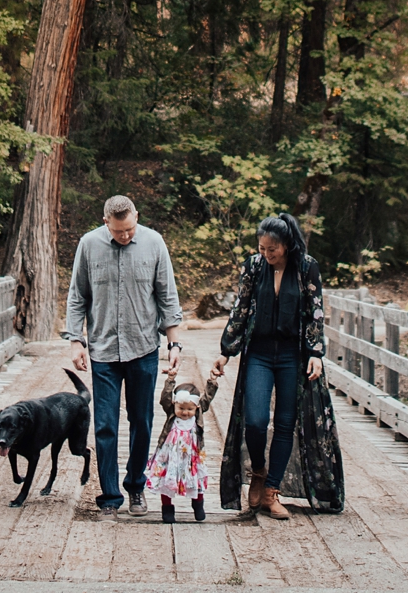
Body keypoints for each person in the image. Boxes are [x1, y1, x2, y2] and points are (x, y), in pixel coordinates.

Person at [210, 212, 345, 517]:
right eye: (262, 248)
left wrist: (314, 353)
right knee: (255, 421)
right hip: (258, 353)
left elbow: (315, 311)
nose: (267, 254)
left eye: (272, 249)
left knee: (285, 423)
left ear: (286, 245)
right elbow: (240, 308)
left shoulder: (306, 267)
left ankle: (271, 491)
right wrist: (226, 351)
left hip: (291, 356)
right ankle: (258, 471)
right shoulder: (254, 267)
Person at [65, 194, 184, 513]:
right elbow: (77, 297)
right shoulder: (89, 245)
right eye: (119, 231)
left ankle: (135, 487)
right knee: (104, 424)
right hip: (103, 350)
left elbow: (167, 297)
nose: (126, 235)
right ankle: (110, 496)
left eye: (130, 229)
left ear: (136, 217)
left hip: (144, 348)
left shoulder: (154, 243)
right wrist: (76, 341)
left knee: (142, 421)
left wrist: (174, 344)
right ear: (107, 222)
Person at [143, 350, 218, 523]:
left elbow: (207, 397)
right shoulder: (172, 414)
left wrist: (212, 380)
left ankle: (198, 504)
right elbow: (164, 399)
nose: (185, 412)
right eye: (181, 408)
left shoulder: (197, 413)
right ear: (175, 405)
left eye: (189, 409)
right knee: (166, 480)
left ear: (196, 408)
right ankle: (167, 508)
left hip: (191, 457)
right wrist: (170, 380)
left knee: (195, 480)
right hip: (171, 456)